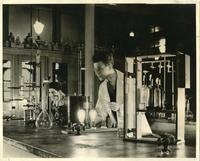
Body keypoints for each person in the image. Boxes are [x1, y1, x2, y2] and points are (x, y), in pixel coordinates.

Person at [93, 51, 124, 128]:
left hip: (133, 129)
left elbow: (137, 106)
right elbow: (101, 112)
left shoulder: (128, 81)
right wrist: (91, 121)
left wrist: (120, 108)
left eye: (99, 69)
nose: (96, 72)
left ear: (109, 66)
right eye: (95, 69)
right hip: (116, 130)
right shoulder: (102, 87)